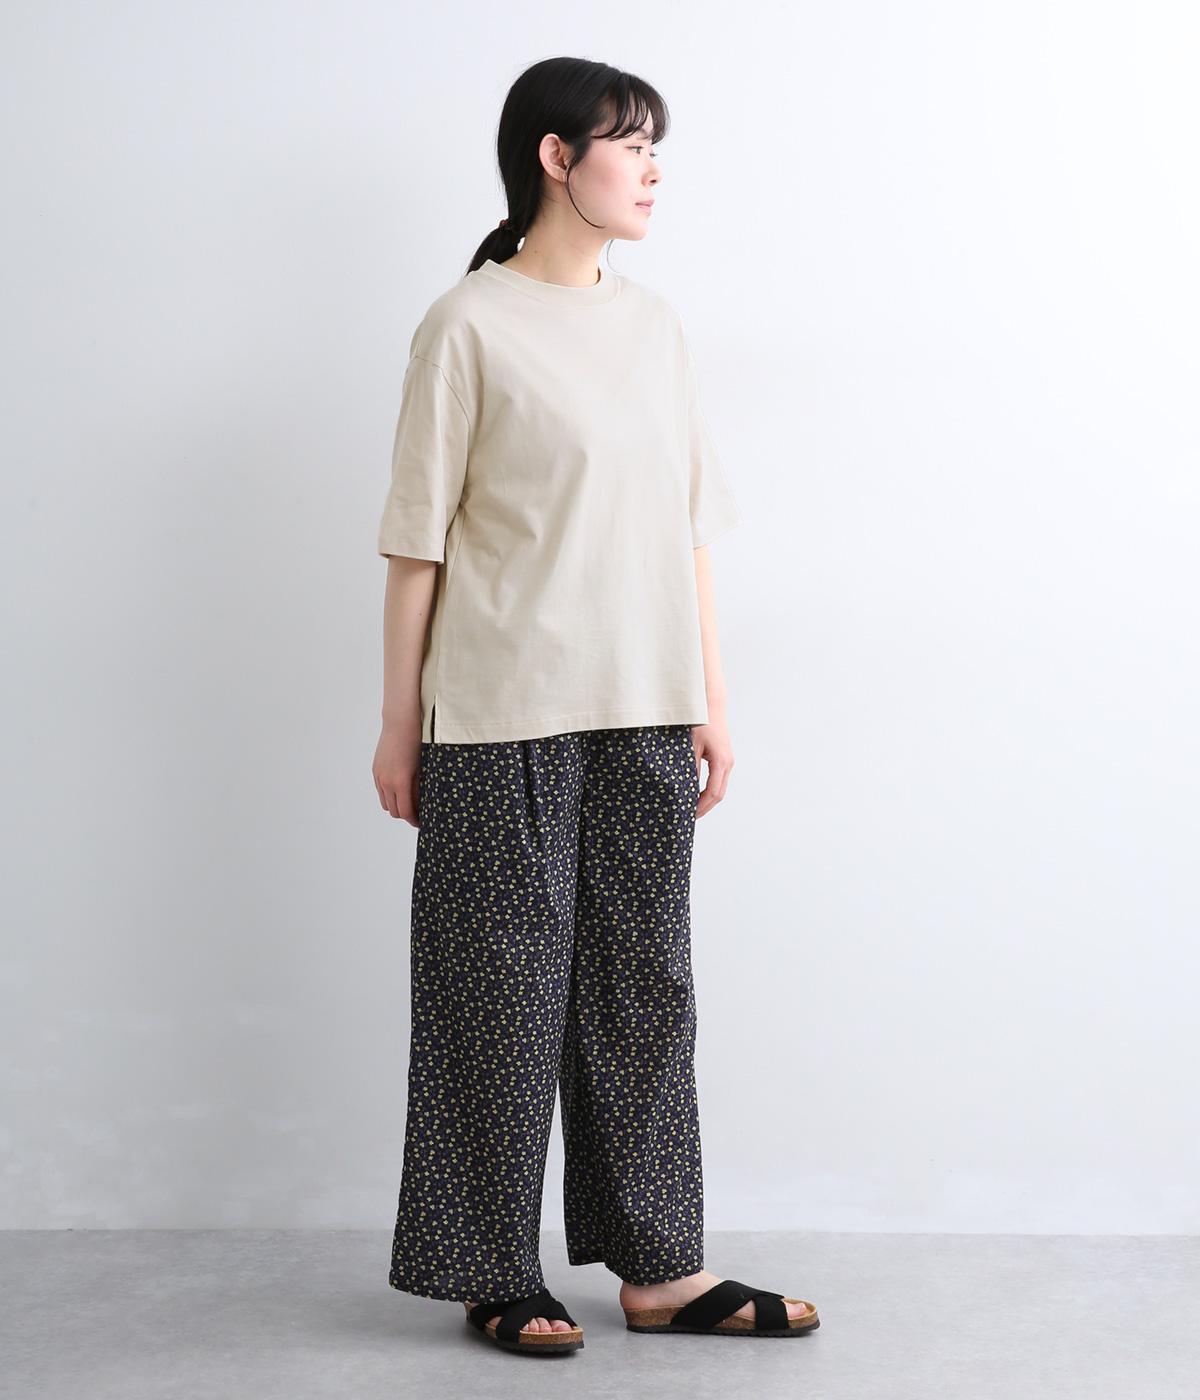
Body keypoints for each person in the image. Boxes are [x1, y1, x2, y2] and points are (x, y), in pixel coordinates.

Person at [372, 56, 820, 1357]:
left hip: (645, 710)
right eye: (632, 145)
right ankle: (491, 1270)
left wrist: (710, 700)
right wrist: (399, 727)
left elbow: (688, 531)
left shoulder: (656, 327)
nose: (654, 170)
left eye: (656, 147)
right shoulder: (466, 326)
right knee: (496, 999)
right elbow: (416, 548)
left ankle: (662, 1270)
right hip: (498, 714)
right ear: (556, 158)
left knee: (644, 989)